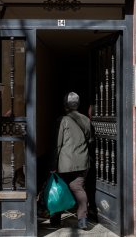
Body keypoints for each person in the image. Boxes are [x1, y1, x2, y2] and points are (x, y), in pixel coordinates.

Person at [49, 92, 92, 230]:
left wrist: (52, 165)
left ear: (65, 105)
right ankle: (83, 221)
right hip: (82, 161)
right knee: (78, 189)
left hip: (64, 163)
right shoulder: (86, 120)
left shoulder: (62, 120)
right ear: (78, 105)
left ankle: (55, 219)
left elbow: (57, 144)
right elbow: (90, 139)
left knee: (60, 189)